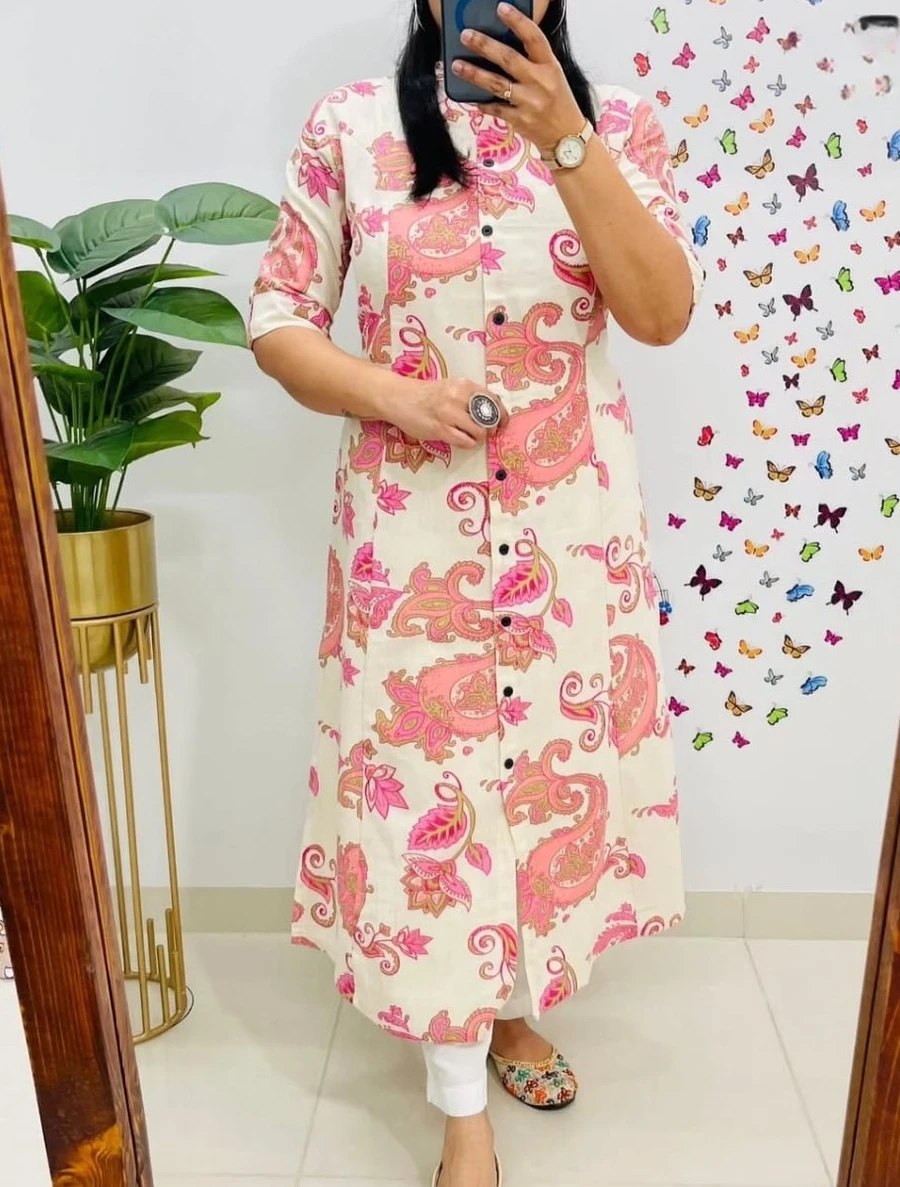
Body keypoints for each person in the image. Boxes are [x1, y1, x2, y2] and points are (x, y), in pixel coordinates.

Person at [249, 1, 704, 1184]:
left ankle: (509, 1005)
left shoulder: (623, 129)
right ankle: (461, 1111)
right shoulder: (351, 129)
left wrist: (567, 139)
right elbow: (277, 316)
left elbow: (660, 313)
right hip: (410, 547)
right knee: (429, 807)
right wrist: (389, 394)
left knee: (541, 795)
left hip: (568, 547)